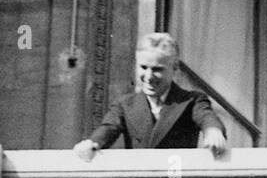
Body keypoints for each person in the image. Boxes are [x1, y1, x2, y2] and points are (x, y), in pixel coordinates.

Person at [74, 32, 228, 160]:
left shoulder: (191, 100)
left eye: (157, 69)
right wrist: (93, 143)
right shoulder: (125, 104)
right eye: (143, 67)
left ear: (174, 67)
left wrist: (213, 131)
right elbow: (108, 128)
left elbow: (206, 117)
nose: (148, 76)